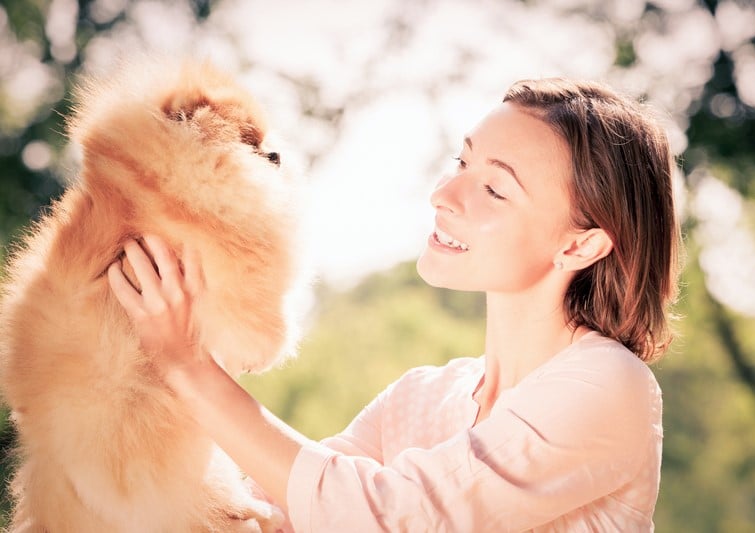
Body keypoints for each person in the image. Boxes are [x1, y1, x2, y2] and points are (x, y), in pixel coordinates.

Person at [109, 77, 681, 532]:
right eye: (462, 163)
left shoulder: (609, 384)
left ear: (579, 244)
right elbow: (280, 512)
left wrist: (188, 365)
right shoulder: (420, 398)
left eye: (494, 189)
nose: (443, 195)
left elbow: (387, 518)